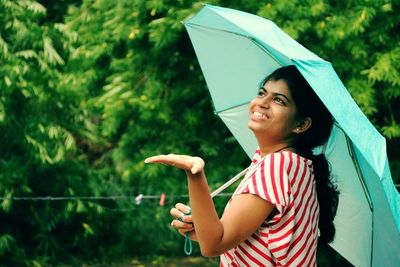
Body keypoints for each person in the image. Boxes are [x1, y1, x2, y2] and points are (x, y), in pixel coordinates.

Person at [144, 65, 339, 266]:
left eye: (279, 100)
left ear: (301, 124)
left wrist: (194, 173)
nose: (262, 103)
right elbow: (242, 239)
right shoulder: (292, 165)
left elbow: (214, 244)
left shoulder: (278, 165)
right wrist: (201, 227)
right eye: (262, 93)